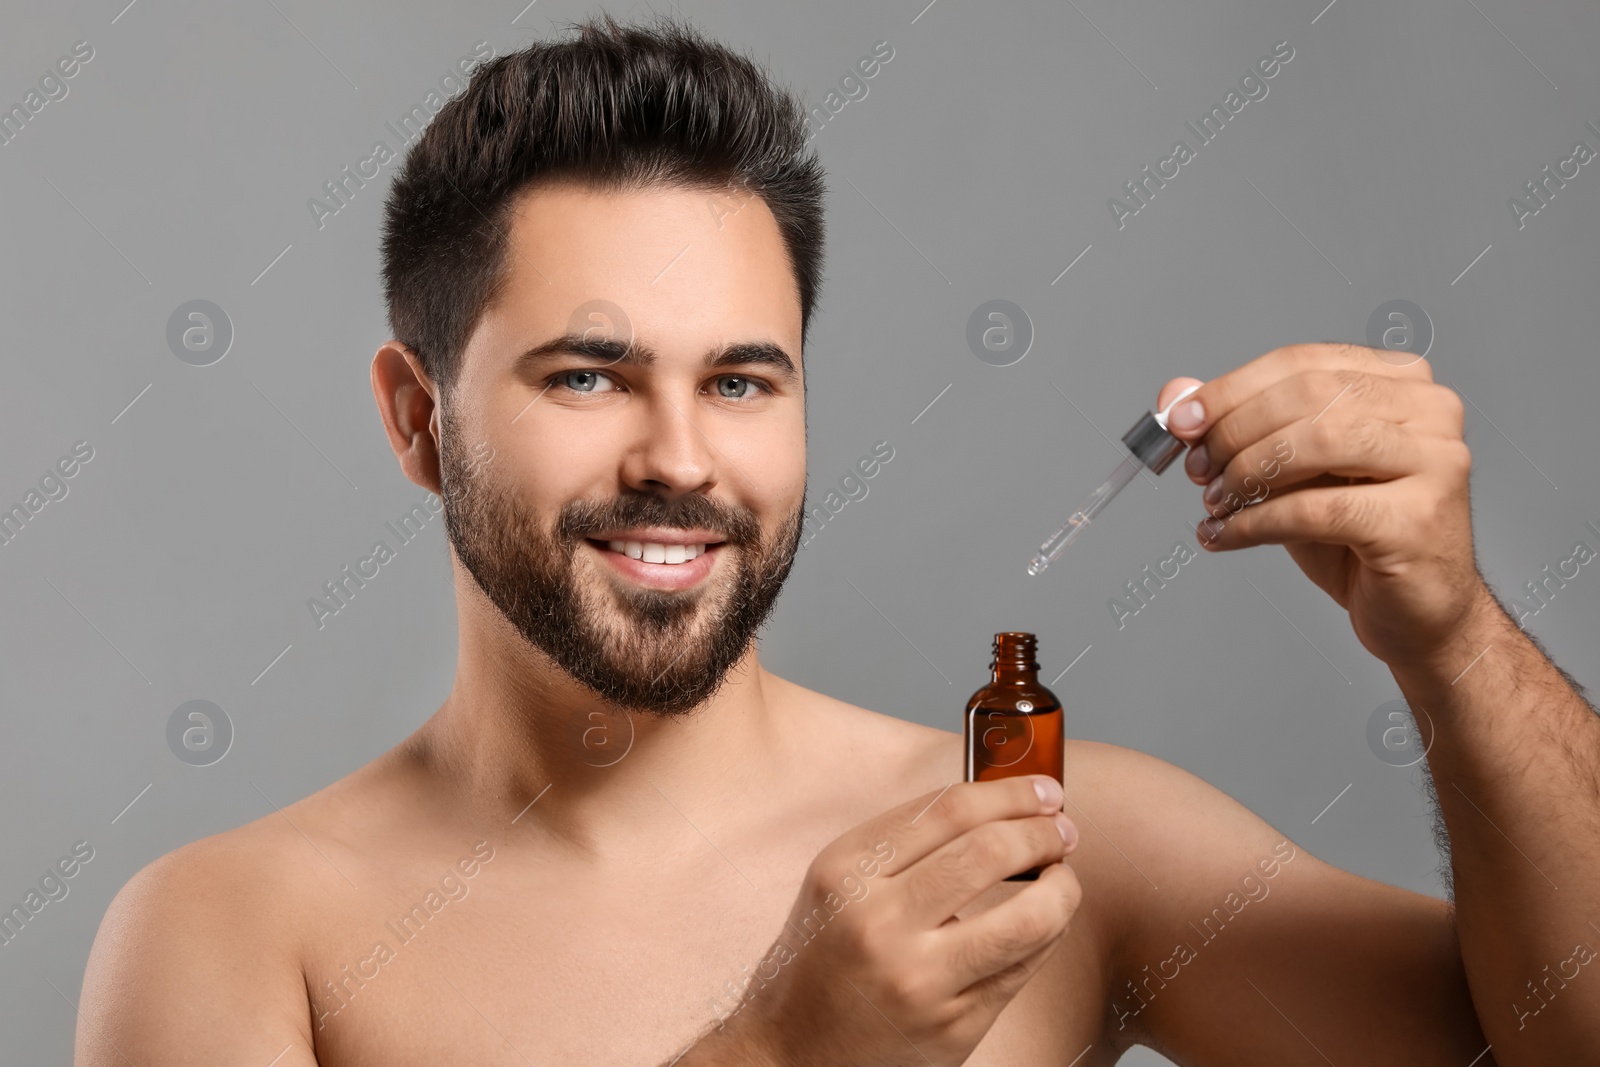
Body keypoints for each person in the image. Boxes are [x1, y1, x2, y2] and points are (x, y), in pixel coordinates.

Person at [76, 13, 1599, 1066]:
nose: (680, 459)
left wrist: (1455, 646)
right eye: (589, 375)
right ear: (419, 421)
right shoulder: (232, 935)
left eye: (742, 380)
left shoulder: (1043, 845)